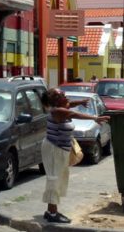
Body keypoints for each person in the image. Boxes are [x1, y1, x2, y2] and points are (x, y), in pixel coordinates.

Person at [40, 88, 109, 224]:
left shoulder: (59, 108)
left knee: (59, 179)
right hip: (54, 149)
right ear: (56, 100)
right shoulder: (57, 111)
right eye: (62, 94)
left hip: (59, 148)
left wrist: (80, 102)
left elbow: (69, 106)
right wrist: (95, 118)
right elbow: (72, 112)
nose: (66, 96)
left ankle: (50, 210)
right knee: (54, 180)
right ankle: (52, 213)